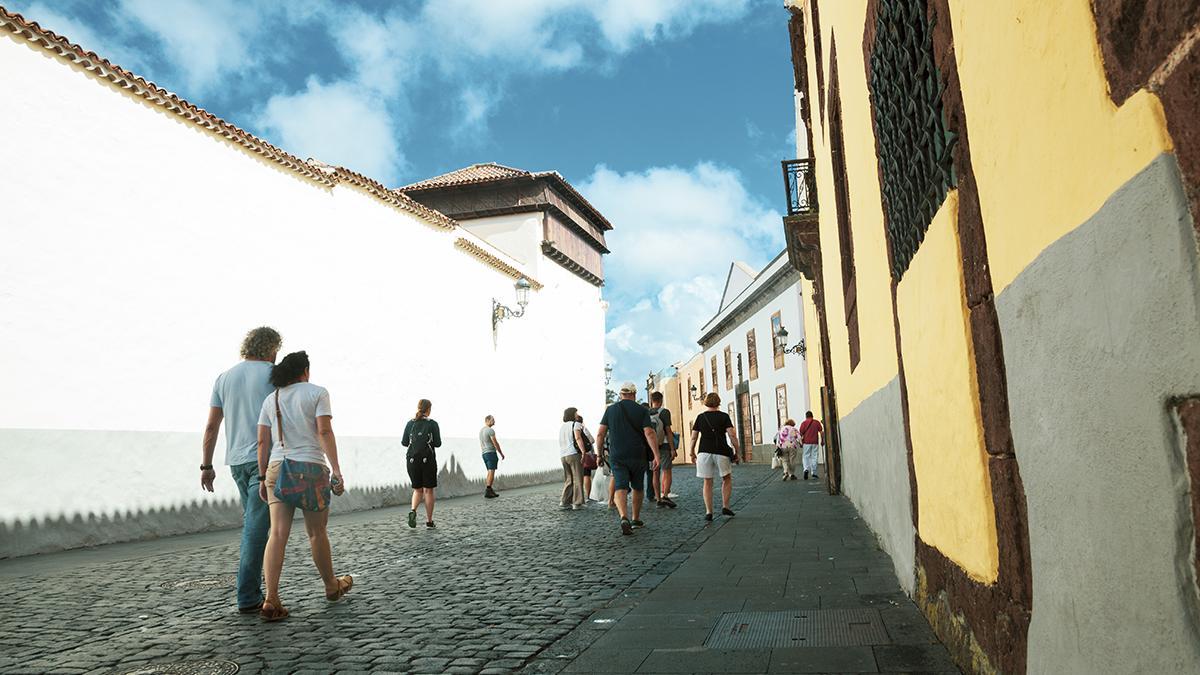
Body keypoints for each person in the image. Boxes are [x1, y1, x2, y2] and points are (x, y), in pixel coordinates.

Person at [255, 351, 353, 622]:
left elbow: (262, 442)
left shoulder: (270, 398)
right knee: (316, 533)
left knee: (277, 534)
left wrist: (262, 477)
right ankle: (331, 586)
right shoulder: (317, 393)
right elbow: (323, 431)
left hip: (277, 467)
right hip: (309, 468)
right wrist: (336, 469)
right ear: (305, 371)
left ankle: (271, 599)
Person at [202, 326, 281, 615]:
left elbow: (212, 426)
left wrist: (207, 465)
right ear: (271, 348)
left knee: (255, 524)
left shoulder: (224, 378)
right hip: (265, 459)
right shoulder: (274, 374)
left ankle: (257, 591)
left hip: (236, 460)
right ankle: (248, 595)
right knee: (257, 529)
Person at [596, 383, 660, 535]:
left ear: (621, 394)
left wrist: (599, 454)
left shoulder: (610, 410)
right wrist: (656, 455)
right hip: (638, 454)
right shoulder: (642, 410)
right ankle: (635, 518)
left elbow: (600, 434)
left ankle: (623, 516)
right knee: (638, 486)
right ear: (634, 394)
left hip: (617, 455)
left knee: (620, 486)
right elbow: (649, 433)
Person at [688, 392, 740, 521]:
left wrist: (691, 452)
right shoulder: (724, 416)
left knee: (707, 481)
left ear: (706, 402)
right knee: (726, 478)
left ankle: (709, 511)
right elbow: (732, 435)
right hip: (721, 452)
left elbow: (694, 437)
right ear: (718, 402)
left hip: (704, 452)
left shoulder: (700, 417)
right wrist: (737, 451)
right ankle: (725, 507)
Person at [404, 399, 442, 527]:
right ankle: (429, 521)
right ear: (429, 409)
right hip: (428, 460)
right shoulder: (432, 424)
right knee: (428, 491)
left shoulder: (410, 423)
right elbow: (438, 443)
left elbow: (404, 443)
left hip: (412, 460)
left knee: (417, 490)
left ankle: (413, 510)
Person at [648, 392, 678, 509]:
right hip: (664, 446)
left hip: (652, 447)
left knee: (655, 473)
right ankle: (665, 495)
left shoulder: (647, 413)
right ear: (661, 400)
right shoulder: (664, 412)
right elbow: (668, 431)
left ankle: (658, 498)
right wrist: (672, 448)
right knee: (667, 471)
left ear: (652, 400)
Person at [558, 407, 586, 510]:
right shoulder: (576, 424)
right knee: (578, 478)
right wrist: (583, 452)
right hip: (573, 454)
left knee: (568, 479)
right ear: (572, 414)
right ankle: (577, 503)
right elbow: (578, 438)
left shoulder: (562, 427)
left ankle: (564, 501)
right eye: (576, 413)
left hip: (563, 455)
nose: (577, 415)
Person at [480, 415, 505, 499]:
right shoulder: (490, 430)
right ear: (488, 420)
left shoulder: (481, 431)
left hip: (484, 453)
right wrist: (501, 453)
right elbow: (495, 442)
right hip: (490, 452)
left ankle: (489, 490)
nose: (494, 421)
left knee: (489, 471)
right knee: (491, 471)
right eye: (493, 420)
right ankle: (488, 490)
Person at [577, 413, 599, 502]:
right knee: (586, 475)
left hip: (576, 454)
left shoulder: (574, 428)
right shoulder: (584, 429)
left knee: (579, 476)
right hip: (586, 454)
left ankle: (578, 497)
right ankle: (588, 495)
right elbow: (592, 440)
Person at [798, 411, 823, 480]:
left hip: (806, 443)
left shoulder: (803, 423)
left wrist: (800, 443)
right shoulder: (816, 422)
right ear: (812, 415)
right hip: (815, 442)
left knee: (806, 456)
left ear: (806, 416)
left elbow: (800, 434)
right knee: (814, 456)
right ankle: (814, 472)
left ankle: (806, 469)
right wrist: (822, 441)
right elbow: (821, 432)